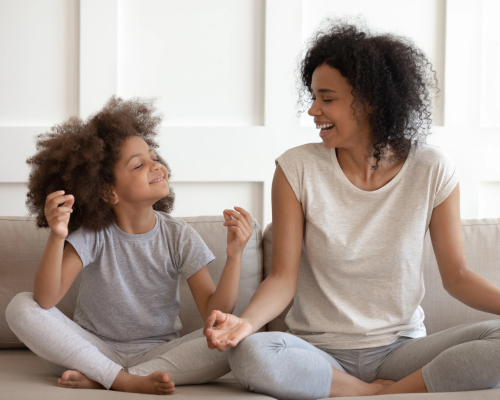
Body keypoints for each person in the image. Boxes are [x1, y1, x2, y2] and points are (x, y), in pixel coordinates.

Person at [203, 22, 500, 399]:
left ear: (371, 100)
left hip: (402, 350)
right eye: (313, 96)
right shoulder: (297, 169)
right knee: (249, 352)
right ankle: (374, 391)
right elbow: (281, 279)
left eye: (327, 98)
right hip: (318, 353)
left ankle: (378, 390)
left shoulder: (432, 169)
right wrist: (244, 325)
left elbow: (457, 276)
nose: (312, 110)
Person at [6, 96, 254, 395]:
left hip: (158, 354)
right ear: (109, 192)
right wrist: (58, 235)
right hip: (90, 349)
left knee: (237, 335)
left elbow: (214, 315)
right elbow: (46, 300)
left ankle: (106, 378)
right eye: (138, 165)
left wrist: (235, 255)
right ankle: (123, 379)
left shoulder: (179, 235)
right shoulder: (93, 234)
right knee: (20, 305)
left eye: (153, 156)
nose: (155, 164)